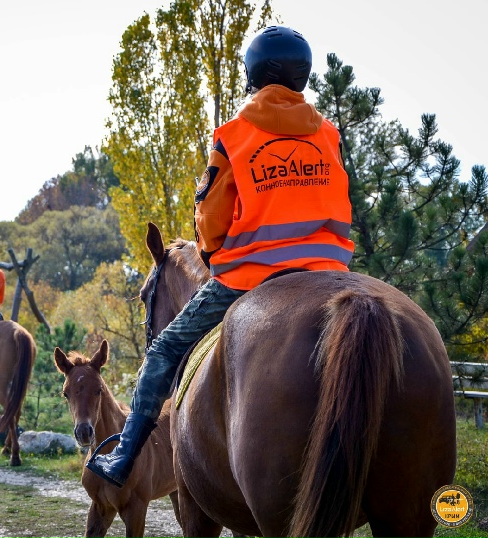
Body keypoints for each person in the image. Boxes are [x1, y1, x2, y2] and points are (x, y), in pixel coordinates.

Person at [87, 25, 356, 488]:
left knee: (166, 348)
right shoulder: (328, 133)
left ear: (252, 74)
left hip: (252, 275)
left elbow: (210, 219)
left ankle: (123, 456)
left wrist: (213, 256)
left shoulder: (233, 135)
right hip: (330, 270)